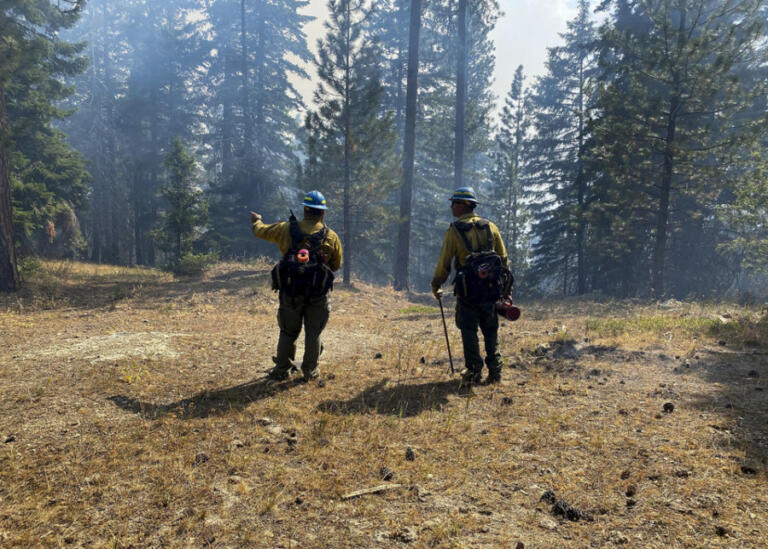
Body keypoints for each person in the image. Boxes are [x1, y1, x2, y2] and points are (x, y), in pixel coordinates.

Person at [249, 190, 343, 382]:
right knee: (313, 332)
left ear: (305, 209)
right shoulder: (331, 236)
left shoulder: (285, 228)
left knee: (288, 331)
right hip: (317, 293)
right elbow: (336, 265)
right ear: (322, 213)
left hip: (290, 291)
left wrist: (256, 220)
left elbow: (261, 231)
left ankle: (282, 369)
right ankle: (310, 372)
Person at [431, 186, 511, 385]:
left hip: (468, 292)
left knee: (469, 330)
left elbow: (444, 262)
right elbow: (503, 260)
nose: (451, 206)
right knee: (491, 330)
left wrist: (436, 284)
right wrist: (505, 289)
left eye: (454, 203)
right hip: (491, 289)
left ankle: (474, 371)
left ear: (464, 205)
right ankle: (495, 372)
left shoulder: (454, 231)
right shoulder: (491, 227)